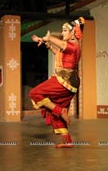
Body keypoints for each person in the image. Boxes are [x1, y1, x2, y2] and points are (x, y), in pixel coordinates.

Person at [29, 17, 85, 148]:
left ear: (72, 33)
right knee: (52, 110)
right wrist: (46, 43)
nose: (62, 33)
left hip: (64, 81)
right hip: (69, 84)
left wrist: (49, 38)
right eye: (62, 31)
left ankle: (61, 111)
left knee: (35, 93)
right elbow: (57, 51)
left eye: (65, 30)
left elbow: (60, 43)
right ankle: (67, 141)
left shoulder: (73, 46)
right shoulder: (67, 48)